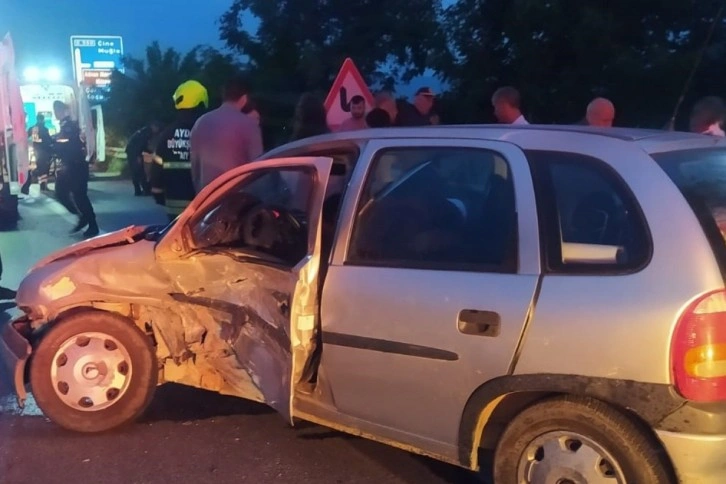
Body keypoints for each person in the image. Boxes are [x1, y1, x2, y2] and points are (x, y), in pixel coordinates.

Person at [190, 76, 264, 193]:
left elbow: (195, 170)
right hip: (236, 196)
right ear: (244, 98)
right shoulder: (249, 125)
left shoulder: (200, 123)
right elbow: (258, 167)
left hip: (208, 197)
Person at [149, 80, 209, 220]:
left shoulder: (167, 133)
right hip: (203, 202)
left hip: (174, 202)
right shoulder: (207, 131)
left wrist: (157, 191)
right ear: (201, 102)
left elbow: (157, 165)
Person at [52, 100, 98, 237]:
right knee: (62, 192)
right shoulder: (64, 125)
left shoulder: (69, 126)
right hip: (70, 165)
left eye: (57, 110)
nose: (56, 113)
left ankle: (91, 223)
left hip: (76, 165)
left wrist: (54, 144)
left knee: (79, 195)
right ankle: (82, 216)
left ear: (62, 111)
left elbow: (67, 144)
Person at [125, 121, 160, 196]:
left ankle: (138, 190)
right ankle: (145, 190)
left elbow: (143, 146)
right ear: (153, 126)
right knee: (139, 172)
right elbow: (140, 145)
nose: (157, 131)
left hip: (132, 150)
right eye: (157, 129)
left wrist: (150, 152)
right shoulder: (147, 133)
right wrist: (138, 156)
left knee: (136, 171)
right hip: (134, 152)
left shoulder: (144, 131)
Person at [21, 113, 53, 194]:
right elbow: (48, 140)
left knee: (35, 169)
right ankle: (43, 186)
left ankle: (26, 186)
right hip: (44, 152)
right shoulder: (44, 129)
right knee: (44, 170)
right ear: (42, 120)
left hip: (35, 151)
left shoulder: (32, 128)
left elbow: (26, 137)